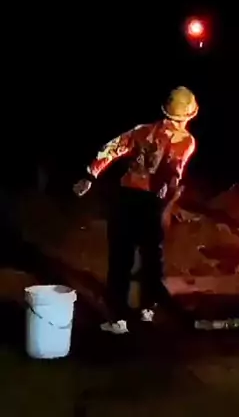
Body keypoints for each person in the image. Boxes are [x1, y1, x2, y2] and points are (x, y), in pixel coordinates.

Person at [73, 86, 197, 333]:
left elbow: (112, 148)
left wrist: (90, 175)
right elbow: (174, 171)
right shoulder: (186, 142)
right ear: (189, 116)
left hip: (126, 199)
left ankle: (119, 318)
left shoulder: (143, 131)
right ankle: (147, 308)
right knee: (151, 258)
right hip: (150, 203)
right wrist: (171, 197)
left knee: (122, 259)